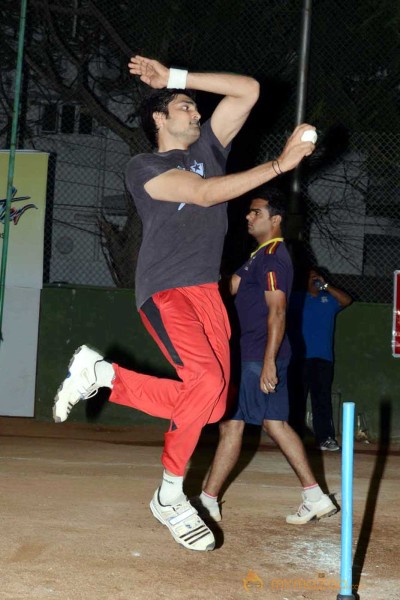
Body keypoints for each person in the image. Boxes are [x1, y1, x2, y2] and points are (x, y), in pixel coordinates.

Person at [52, 55, 317, 551]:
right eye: (185, 107)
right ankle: (170, 494)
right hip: (165, 288)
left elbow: (248, 89)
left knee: (211, 405)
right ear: (158, 118)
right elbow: (202, 194)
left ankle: (105, 376)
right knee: (207, 382)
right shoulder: (145, 167)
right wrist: (280, 165)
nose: (197, 114)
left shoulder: (211, 149)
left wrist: (176, 80)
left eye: (197, 108)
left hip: (205, 292)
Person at [193, 188, 337, 525]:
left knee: (232, 425)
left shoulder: (273, 256)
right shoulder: (260, 255)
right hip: (261, 354)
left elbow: (278, 311)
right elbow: (230, 286)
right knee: (276, 424)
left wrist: (268, 362)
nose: (248, 216)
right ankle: (315, 496)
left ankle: (208, 500)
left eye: (255, 212)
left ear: (276, 219)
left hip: (258, 355)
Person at [288, 267, 352, 451]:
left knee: (322, 399)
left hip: (323, 358)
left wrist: (326, 285)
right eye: (310, 276)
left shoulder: (329, 299)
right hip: (299, 358)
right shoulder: (297, 298)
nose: (313, 279)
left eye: (316, 276)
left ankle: (325, 438)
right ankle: (294, 439)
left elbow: (347, 300)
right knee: (297, 400)